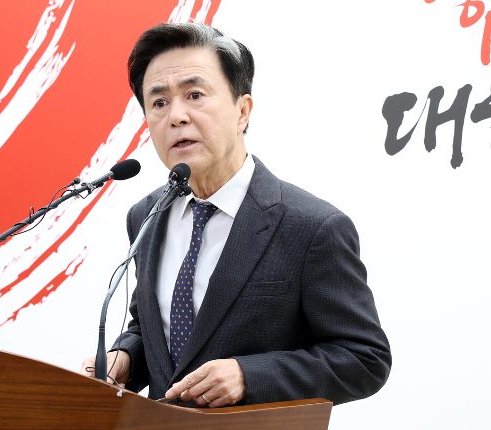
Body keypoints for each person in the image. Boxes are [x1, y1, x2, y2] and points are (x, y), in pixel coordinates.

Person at [81, 22, 391, 408]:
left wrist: (249, 376)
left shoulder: (312, 227)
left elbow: (364, 359)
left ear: (242, 111)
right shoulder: (146, 216)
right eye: (158, 102)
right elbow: (156, 329)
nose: (176, 116)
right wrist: (126, 356)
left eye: (195, 95)